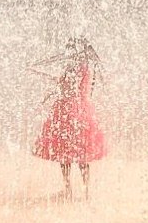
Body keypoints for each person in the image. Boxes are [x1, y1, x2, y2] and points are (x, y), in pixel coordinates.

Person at [32, 39, 108, 198]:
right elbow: (85, 90)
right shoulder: (89, 69)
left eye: (70, 50)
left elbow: (63, 87)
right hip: (83, 111)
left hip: (66, 111)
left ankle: (68, 189)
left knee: (63, 152)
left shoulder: (72, 69)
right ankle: (86, 191)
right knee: (83, 154)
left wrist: (48, 83)